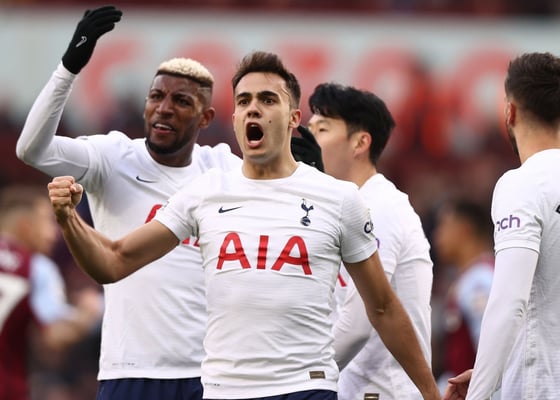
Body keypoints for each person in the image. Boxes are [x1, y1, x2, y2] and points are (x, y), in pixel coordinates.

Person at [46, 50, 441, 400]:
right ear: (234, 118)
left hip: (305, 387)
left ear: (293, 118)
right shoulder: (204, 193)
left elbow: (383, 307)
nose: (254, 109)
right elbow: (114, 262)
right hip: (224, 390)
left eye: (268, 99)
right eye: (244, 100)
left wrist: (429, 393)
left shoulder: (339, 199)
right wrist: (67, 219)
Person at [16, 6, 323, 399]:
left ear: (205, 117)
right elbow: (31, 149)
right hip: (130, 369)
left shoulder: (222, 169)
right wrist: (69, 68)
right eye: (156, 96)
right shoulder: (112, 158)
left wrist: (304, 172)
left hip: (212, 374)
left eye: (181, 101)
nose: (164, 108)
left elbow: (287, 209)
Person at [443, 51, 560, 399]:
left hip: (541, 385)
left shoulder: (523, 184)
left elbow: (510, 302)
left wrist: (479, 392)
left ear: (509, 111)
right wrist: (491, 373)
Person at [305, 82, 434, 400]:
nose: (308, 139)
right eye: (308, 129)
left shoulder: (380, 207)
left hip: (383, 393)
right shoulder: (336, 209)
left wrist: (296, 382)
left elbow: (359, 323)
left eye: (322, 129)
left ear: (360, 142)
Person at [0, 184, 102, 400]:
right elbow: (56, 336)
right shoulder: (35, 267)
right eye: (48, 222)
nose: (54, 234)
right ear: (25, 226)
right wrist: (88, 313)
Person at [431, 198, 494, 392]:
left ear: (464, 229)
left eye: (443, 226)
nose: (436, 236)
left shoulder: (479, 281)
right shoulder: (469, 277)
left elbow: (489, 348)